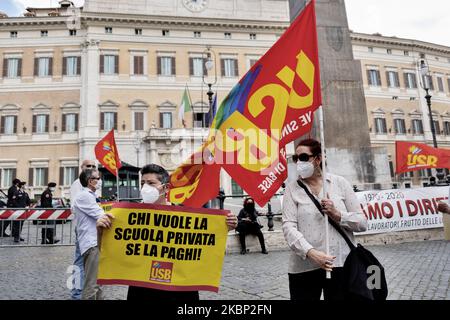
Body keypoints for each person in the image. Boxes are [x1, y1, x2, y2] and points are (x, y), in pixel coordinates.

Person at [96, 163, 238, 301]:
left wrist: (225, 226)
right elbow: (112, 251)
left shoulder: (186, 215)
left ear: (166, 188)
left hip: (179, 290)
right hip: (142, 289)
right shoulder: (127, 216)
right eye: (142, 183)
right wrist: (101, 231)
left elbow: (205, 244)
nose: (145, 188)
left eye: (151, 183)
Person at [282, 138, 368, 301]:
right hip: (304, 266)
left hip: (340, 264)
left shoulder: (340, 183)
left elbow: (362, 223)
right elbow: (288, 227)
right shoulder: (292, 189)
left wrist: (337, 214)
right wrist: (311, 252)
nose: (298, 162)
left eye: (303, 157)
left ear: (318, 159)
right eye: (296, 158)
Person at [72, 168, 106, 300]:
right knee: (92, 284)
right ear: (90, 181)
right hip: (91, 244)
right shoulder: (84, 196)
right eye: (98, 178)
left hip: (97, 242)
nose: (100, 181)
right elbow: (101, 216)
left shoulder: (92, 196)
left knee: (99, 283)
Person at [70, 160, 97, 300]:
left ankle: (86, 291)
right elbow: (74, 206)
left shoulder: (93, 186)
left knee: (89, 264)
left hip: (92, 231)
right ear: (81, 168)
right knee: (79, 262)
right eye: (88, 166)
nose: (91, 168)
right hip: (81, 229)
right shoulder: (77, 184)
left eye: (93, 166)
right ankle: (76, 293)